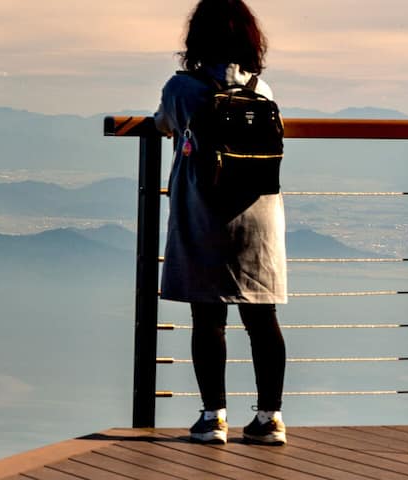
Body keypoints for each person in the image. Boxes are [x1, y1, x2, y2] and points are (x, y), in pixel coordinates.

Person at [155, 0, 288, 446]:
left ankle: (214, 417)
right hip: (260, 213)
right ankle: (270, 418)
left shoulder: (182, 87)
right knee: (262, 315)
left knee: (208, 315)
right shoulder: (262, 88)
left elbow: (165, 125)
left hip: (204, 209)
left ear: (196, 37)